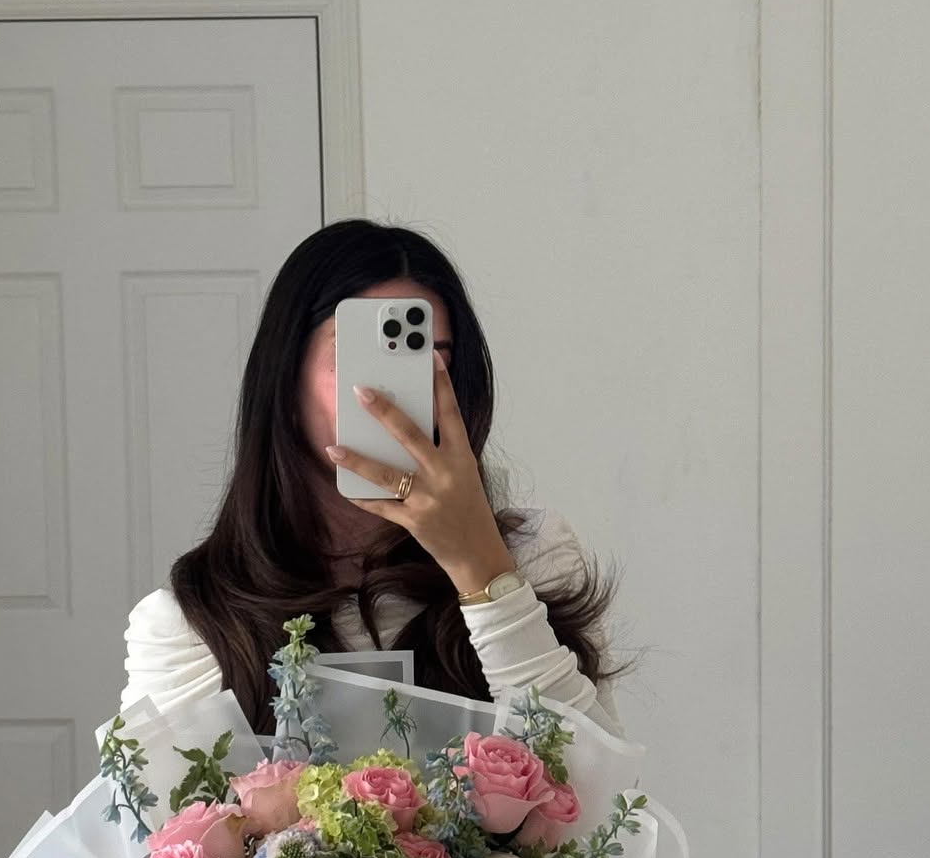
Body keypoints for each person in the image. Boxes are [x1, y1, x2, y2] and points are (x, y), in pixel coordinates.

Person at [120, 219, 636, 738]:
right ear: (285, 381)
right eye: (359, 359)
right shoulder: (193, 627)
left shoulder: (535, 555)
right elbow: (155, 794)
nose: (392, 395)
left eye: (433, 360)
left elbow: (598, 781)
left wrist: (482, 569)